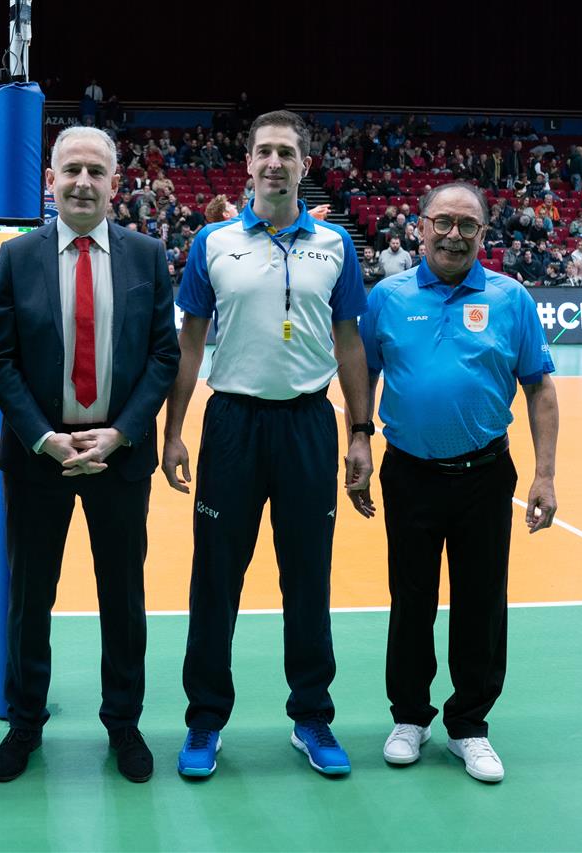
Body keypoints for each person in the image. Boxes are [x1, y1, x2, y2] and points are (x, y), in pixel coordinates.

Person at [161, 111, 372, 778]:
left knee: (307, 577)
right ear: (248, 163)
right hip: (232, 425)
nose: (274, 162)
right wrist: (174, 430)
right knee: (215, 579)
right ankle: (204, 718)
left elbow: (349, 343)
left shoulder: (335, 244)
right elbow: (190, 343)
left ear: (304, 164)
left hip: (309, 424)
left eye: (286, 152)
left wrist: (360, 432)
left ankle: (311, 716)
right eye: (264, 151)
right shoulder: (213, 242)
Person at [0, 125, 180, 784]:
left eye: (97, 171)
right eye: (71, 170)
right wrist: (43, 437)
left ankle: (123, 723)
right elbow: (1, 358)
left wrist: (122, 432)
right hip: (40, 453)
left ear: (115, 184)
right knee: (29, 597)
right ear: (50, 180)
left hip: (118, 454)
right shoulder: (18, 258)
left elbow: (163, 355)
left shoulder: (147, 255)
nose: (83, 182)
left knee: (122, 595)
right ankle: (25, 721)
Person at [356, 181, 558, 784]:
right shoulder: (387, 297)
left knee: (481, 601)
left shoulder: (510, 297)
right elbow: (362, 372)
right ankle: (409, 717)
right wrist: (359, 438)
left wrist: (545, 474)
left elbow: (540, 388)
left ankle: (469, 724)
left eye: (468, 225)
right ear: (419, 227)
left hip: (485, 475)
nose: (454, 235)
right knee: (410, 598)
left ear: (483, 234)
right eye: (442, 222)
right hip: (409, 473)